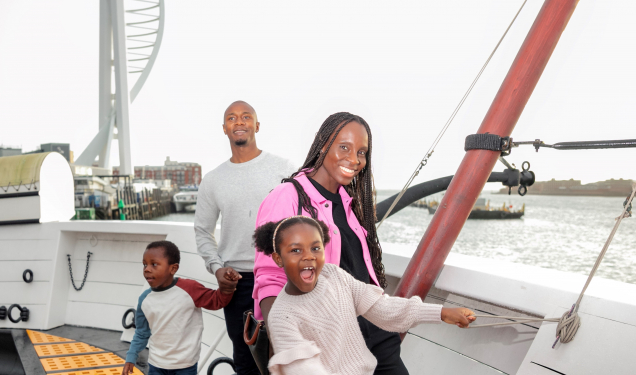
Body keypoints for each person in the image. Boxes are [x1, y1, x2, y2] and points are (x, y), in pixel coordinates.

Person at [254, 112, 414, 374]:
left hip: (377, 334)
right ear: (323, 143)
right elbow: (270, 278)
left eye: (361, 152)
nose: (354, 159)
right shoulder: (288, 196)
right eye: (344, 147)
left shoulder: (351, 204)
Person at [253, 216, 475, 375]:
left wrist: (442, 313)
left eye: (315, 248)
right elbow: (304, 369)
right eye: (295, 250)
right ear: (278, 259)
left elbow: (382, 308)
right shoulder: (282, 316)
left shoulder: (334, 276)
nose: (308, 257)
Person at [195, 101, 295, 375]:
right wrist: (216, 268)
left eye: (246, 116)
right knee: (244, 360)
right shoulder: (213, 180)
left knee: (286, 355)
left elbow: (304, 218)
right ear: (225, 128)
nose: (239, 122)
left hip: (281, 277)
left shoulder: (283, 168)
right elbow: (203, 232)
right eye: (232, 118)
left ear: (257, 125)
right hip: (237, 282)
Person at [123, 240, 236, 375]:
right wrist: (131, 356)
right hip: (156, 364)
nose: (147, 269)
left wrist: (228, 286)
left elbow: (216, 300)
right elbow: (142, 332)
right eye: (144, 264)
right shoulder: (144, 299)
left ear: (173, 269)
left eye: (154, 264)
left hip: (185, 365)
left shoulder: (190, 289)